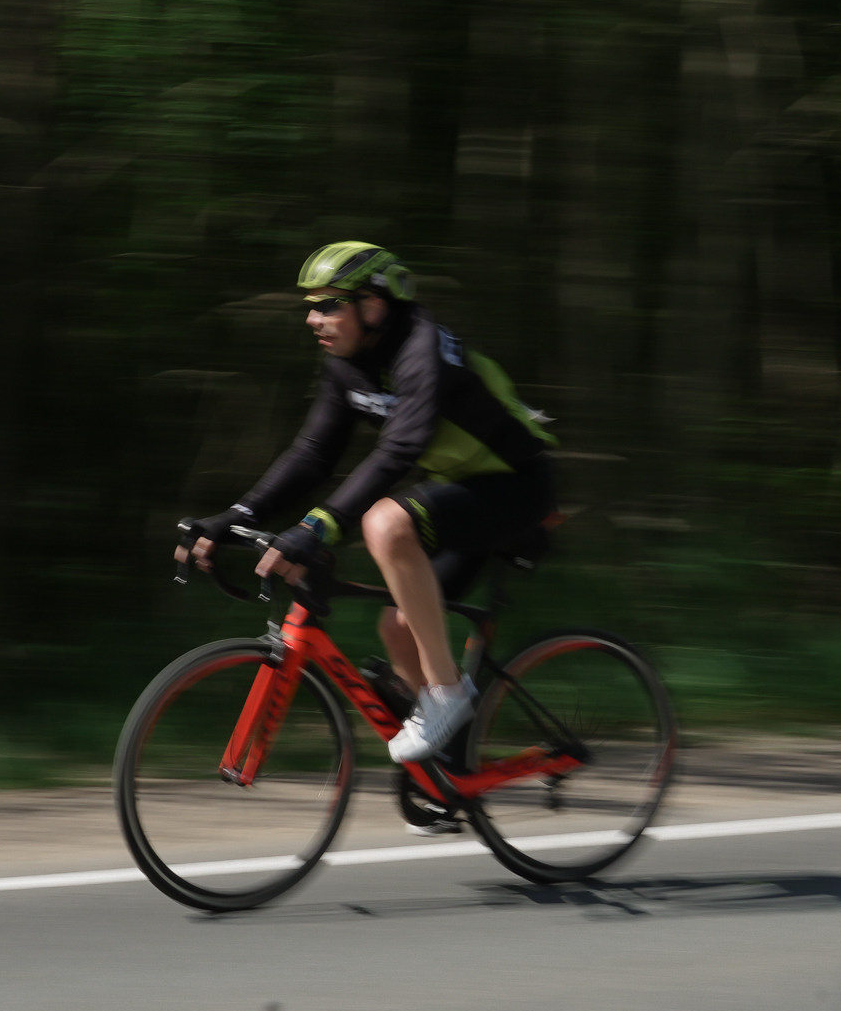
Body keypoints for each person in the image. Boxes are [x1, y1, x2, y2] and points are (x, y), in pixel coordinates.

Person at [175, 242, 557, 768]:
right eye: (310, 305)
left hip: (516, 485)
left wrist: (318, 526)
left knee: (385, 522)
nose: (313, 318)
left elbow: (400, 449)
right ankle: (450, 781)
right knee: (398, 629)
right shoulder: (347, 363)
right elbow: (313, 453)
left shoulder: (422, 349)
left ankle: (447, 694)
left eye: (329, 304)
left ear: (374, 305)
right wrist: (237, 516)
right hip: (457, 488)